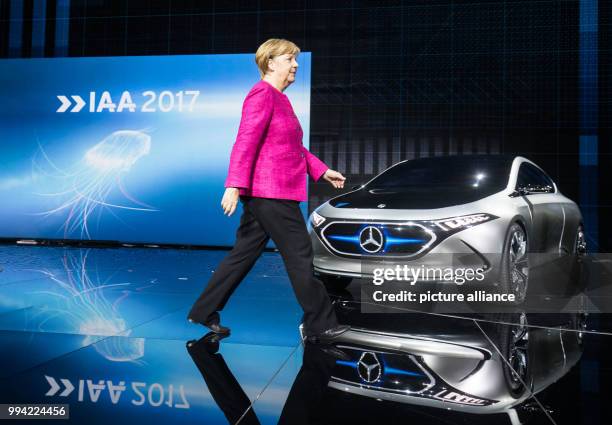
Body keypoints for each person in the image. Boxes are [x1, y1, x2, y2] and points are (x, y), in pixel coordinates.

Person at [187, 38, 349, 342]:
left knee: (243, 254)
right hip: (271, 192)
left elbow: (292, 147)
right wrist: (233, 184)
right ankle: (321, 323)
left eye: (295, 60)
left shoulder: (279, 98)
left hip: (269, 191)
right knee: (300, 255)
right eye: (290, 59)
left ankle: (203, 311)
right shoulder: (262, 94)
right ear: (271, 63)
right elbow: (245, 141)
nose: (296, 65)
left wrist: (322, 170)